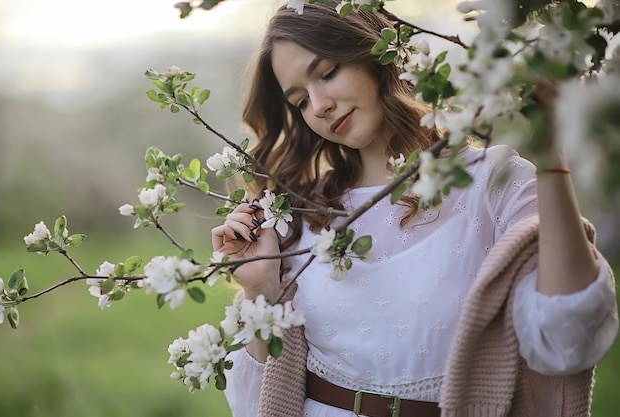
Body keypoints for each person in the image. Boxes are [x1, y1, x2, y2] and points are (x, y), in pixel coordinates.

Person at [210, 2, 619, 416]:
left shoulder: (494, 184)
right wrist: (259, 288)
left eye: (328, 72)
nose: (318, 106)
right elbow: (254, 403)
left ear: (378, 53)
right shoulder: (304, 214)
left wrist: (552, 158)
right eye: (299, 101)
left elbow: (571, 339)